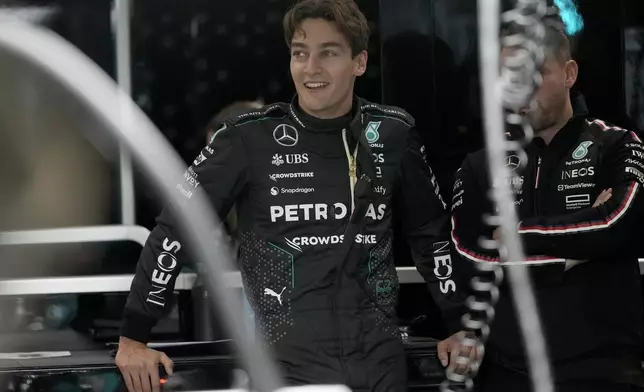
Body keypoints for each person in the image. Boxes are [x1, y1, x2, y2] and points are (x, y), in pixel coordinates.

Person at [115, 1, 472, 391]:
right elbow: (176, 228)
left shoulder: (393, 133)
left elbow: (431, 237)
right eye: (300, 53)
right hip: (288, 368)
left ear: (359, 62)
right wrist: (134, 334)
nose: (311, 67)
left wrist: (459, 325)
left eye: (328, 53)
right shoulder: (246, 138)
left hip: (379, 364)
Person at [450, 17, 644, 392]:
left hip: (604, 367)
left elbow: (617, 226)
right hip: (506, 369)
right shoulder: (478, 164)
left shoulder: (619, 146)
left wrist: (514, 235)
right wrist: (577, 249)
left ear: (569, 72)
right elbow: (469, 258)